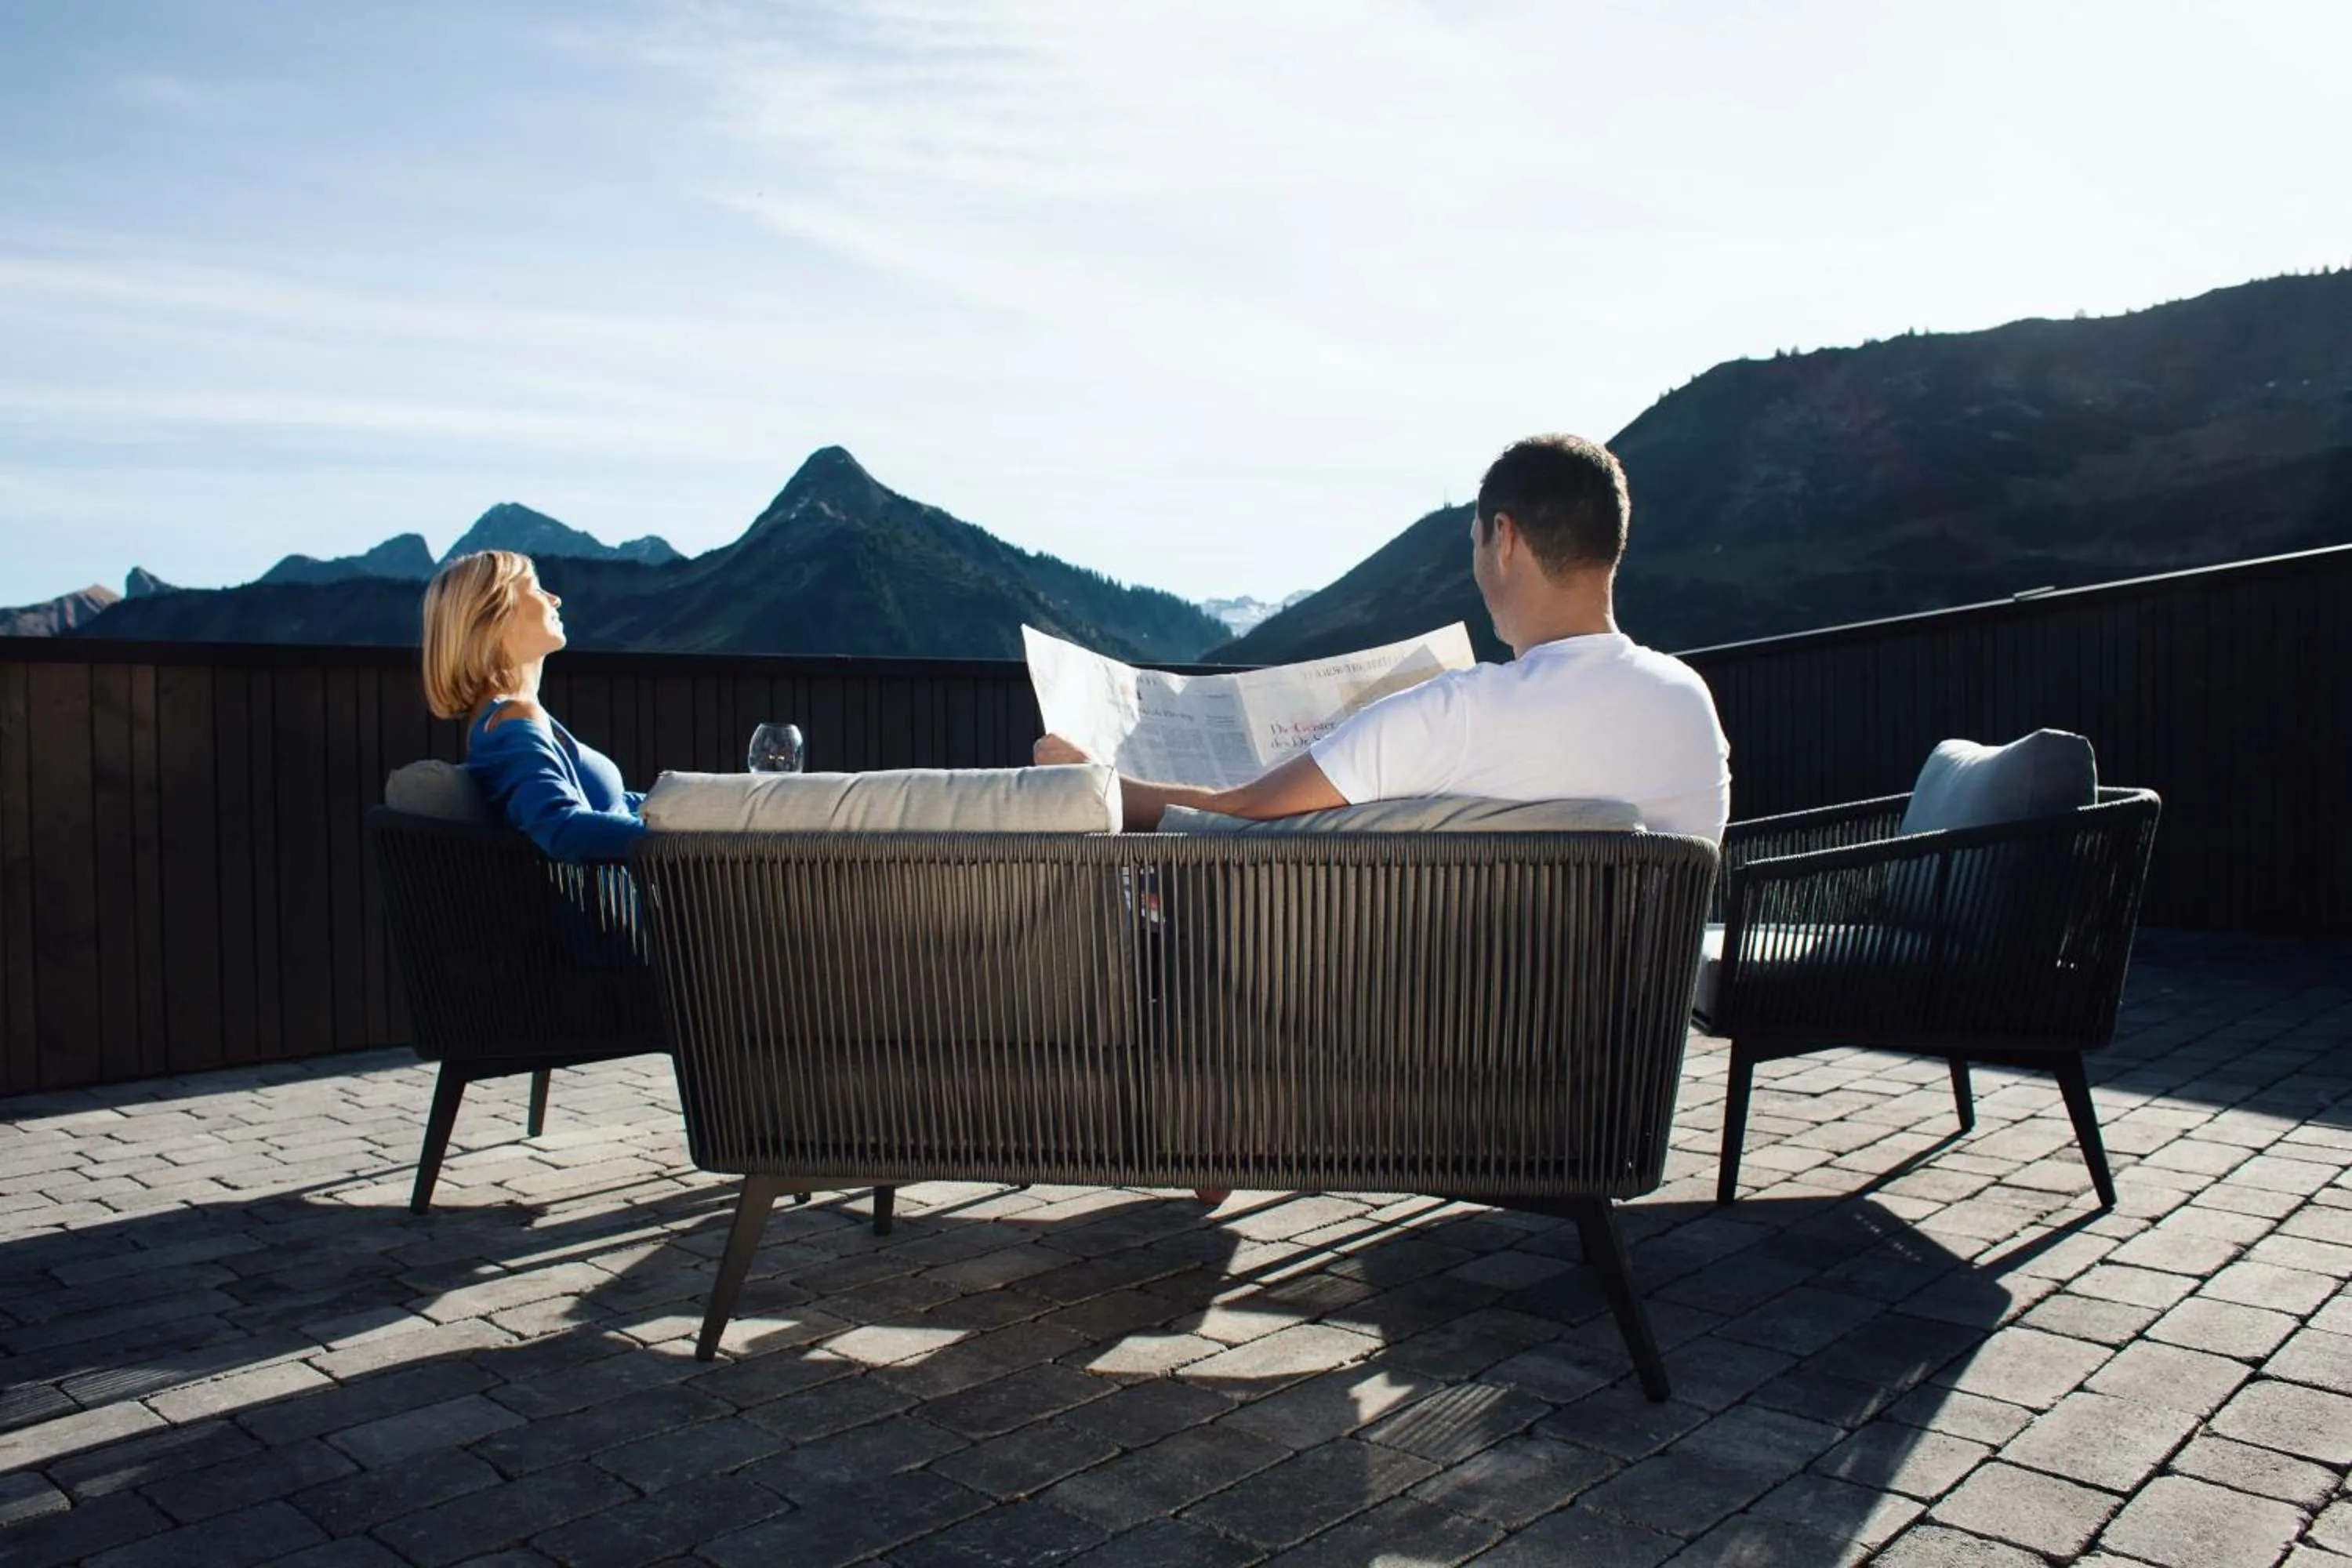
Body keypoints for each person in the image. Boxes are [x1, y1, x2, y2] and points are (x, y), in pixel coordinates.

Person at [1036, 433, 1731, 840]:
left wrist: (1093, 784)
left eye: (1477, 544)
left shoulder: (1457, 715)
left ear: (1505, 538)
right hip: (1622, 1056)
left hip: (1444, 1056)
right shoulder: (1689, 703)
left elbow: (1242, 813)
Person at [420, 550, 647, 863]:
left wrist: (683, 805)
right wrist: (679, 837)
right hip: (616, 908)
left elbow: (607, 805)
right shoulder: (510, 722)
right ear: (497, 616)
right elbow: (564, 828)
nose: (555, 599)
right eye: (537, 587)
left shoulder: (506, 719)